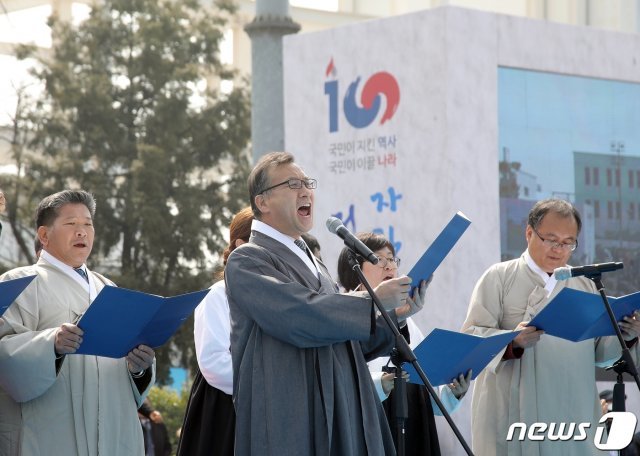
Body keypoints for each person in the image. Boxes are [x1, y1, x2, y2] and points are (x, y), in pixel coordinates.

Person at [225, 151, 421, 456]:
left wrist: (394, 316)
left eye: (307, 183)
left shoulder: (313, 262)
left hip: (342, 410)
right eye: (292, 184)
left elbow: (347, 342)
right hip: (293, 414)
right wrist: (370, 300)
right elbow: (298, 315)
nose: (305, 191)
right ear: (262, 202)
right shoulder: (247, 260)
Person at [461, 198, 640, 456]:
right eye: (551, 239)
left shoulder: (584, 284)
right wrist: (513, 341)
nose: (559, 249)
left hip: (572, 411)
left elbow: (601, 354)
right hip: (516, 414)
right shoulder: (499, 277)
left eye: (568, 242)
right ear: (529, 233)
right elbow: (471, 339)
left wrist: (627, 333)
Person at [0, 189, 156, 456]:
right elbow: (4, 357)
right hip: (52, 436)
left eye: (88, 224)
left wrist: (139, 369)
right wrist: (51, 345)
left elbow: (131, 375)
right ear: (44, 235)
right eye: (71, 224)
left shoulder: (109, 288)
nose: (82, 231)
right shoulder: (21, 282)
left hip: (114, 434)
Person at [337, 231, 470, 456]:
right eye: (379, 259)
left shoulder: (408, 322)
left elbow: (425, 395)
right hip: (369, 431)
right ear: (356, 269)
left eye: (392, 260)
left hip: (414, 432)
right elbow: (340, 381)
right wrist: (380, 384)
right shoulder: (344, 313)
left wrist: (452, 393)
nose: (390, 267)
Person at [176, 206, 253, 456]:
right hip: (224, 407)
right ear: (241, 244)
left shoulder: (277, 295)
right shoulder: (219, 294)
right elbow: (213, 362)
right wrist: (261, 386)